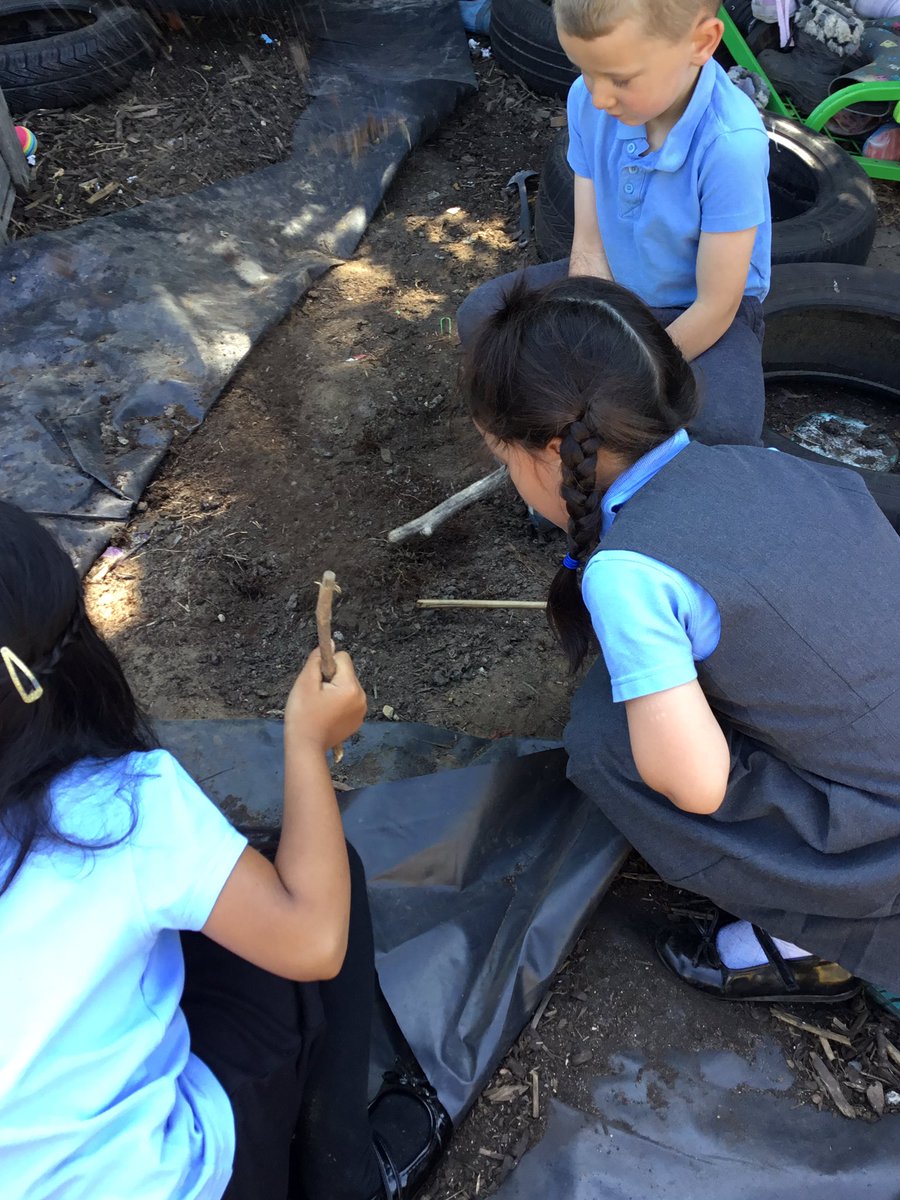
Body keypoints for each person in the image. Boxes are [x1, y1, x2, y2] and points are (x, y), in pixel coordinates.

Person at [460, 274, 900, 1008]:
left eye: (504, 458)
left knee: (606, 738)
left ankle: (816, 938)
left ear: (551, 452)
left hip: (882, 846)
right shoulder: (767, 465)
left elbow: (694, 784)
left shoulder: (629, 572)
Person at [0, 501, 448, 1200]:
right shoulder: (120, 808)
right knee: (323, 880)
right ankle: (346, 1176)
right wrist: (307, 743)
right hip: (160, 1182)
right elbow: (311, 938)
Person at [458, 0, 772, 448]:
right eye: (584, 69)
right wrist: (586, 334)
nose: (599, 97)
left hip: (697, 313)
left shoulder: (731, 145)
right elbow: (589, 247)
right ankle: (549, 454)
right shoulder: (589, 101)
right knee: (481, 318)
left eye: (621, 79)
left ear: (701, 43)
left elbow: (717, 305)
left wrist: (623, 373)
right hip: (615, 282)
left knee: (721, 428)